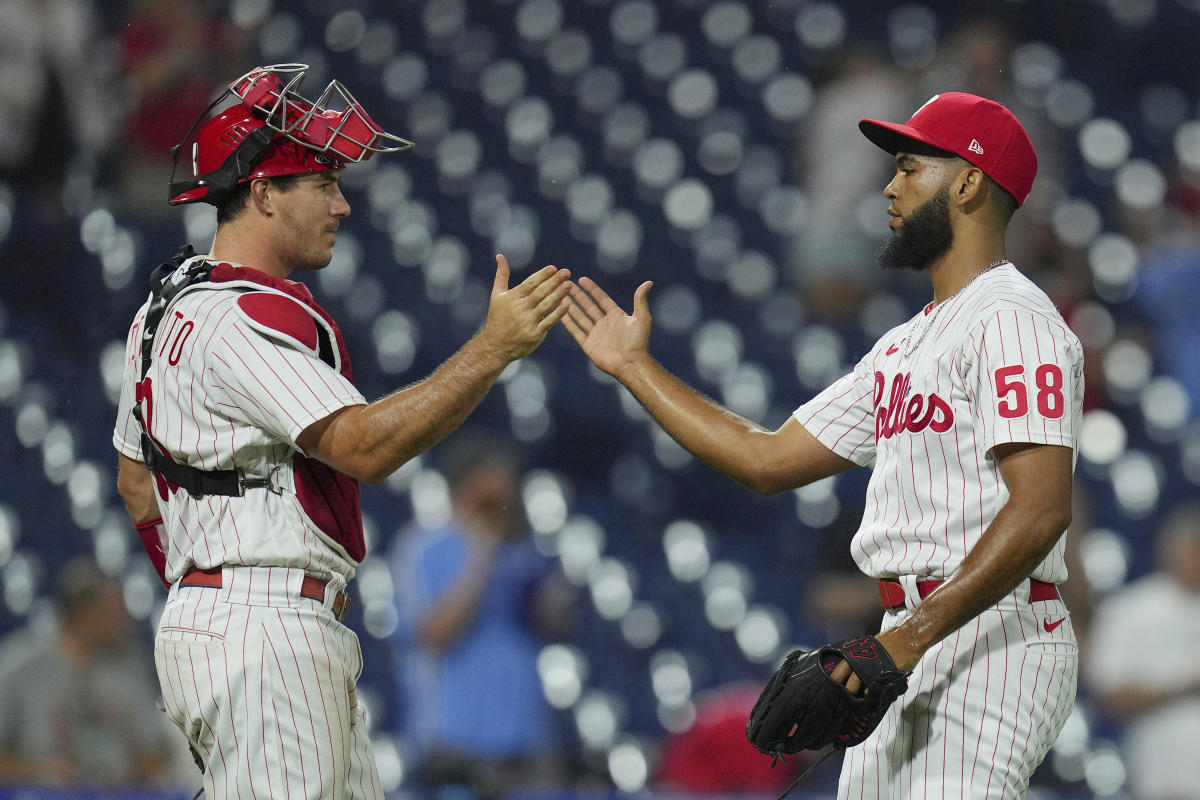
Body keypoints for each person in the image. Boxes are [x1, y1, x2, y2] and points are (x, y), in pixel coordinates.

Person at [561, 92, 1084, 799]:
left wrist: (903, 640)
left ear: (967, 182)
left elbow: (1043, 510)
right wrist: (635, 369)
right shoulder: (903, 345)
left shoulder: (1017, 323)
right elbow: (767, 459)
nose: (891, 187)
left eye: (908, 167)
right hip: (906, 638)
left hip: (992, 635)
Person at [112, 64, 571, 799]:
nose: (342, 204)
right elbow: (363, 446)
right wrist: (494, 348)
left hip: (232, 618)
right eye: (322, 185)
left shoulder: (163, 309)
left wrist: (202, 586)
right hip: (266, 629)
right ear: (262, 192)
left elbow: (137, 484)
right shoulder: (237, 317)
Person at [390, 430, 574, 799]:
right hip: (456, 739)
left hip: (526, 736)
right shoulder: (424, 547)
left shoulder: (522, 551)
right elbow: (434, 633)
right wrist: (481, 554)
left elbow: (556, 627)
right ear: (466, 485)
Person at [0, 556, 176, 789]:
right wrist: (39, 771)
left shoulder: (129, 668)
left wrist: (121, 773)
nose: (125, 619)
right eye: (115, 609)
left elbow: (157, 755)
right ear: (86, 613)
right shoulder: (20, 667)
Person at [1085, 503, 1200, 800]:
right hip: (1166, 775)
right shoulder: (1130, 610)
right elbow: (1110, 693)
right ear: (1172, 550)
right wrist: (1185, 684)